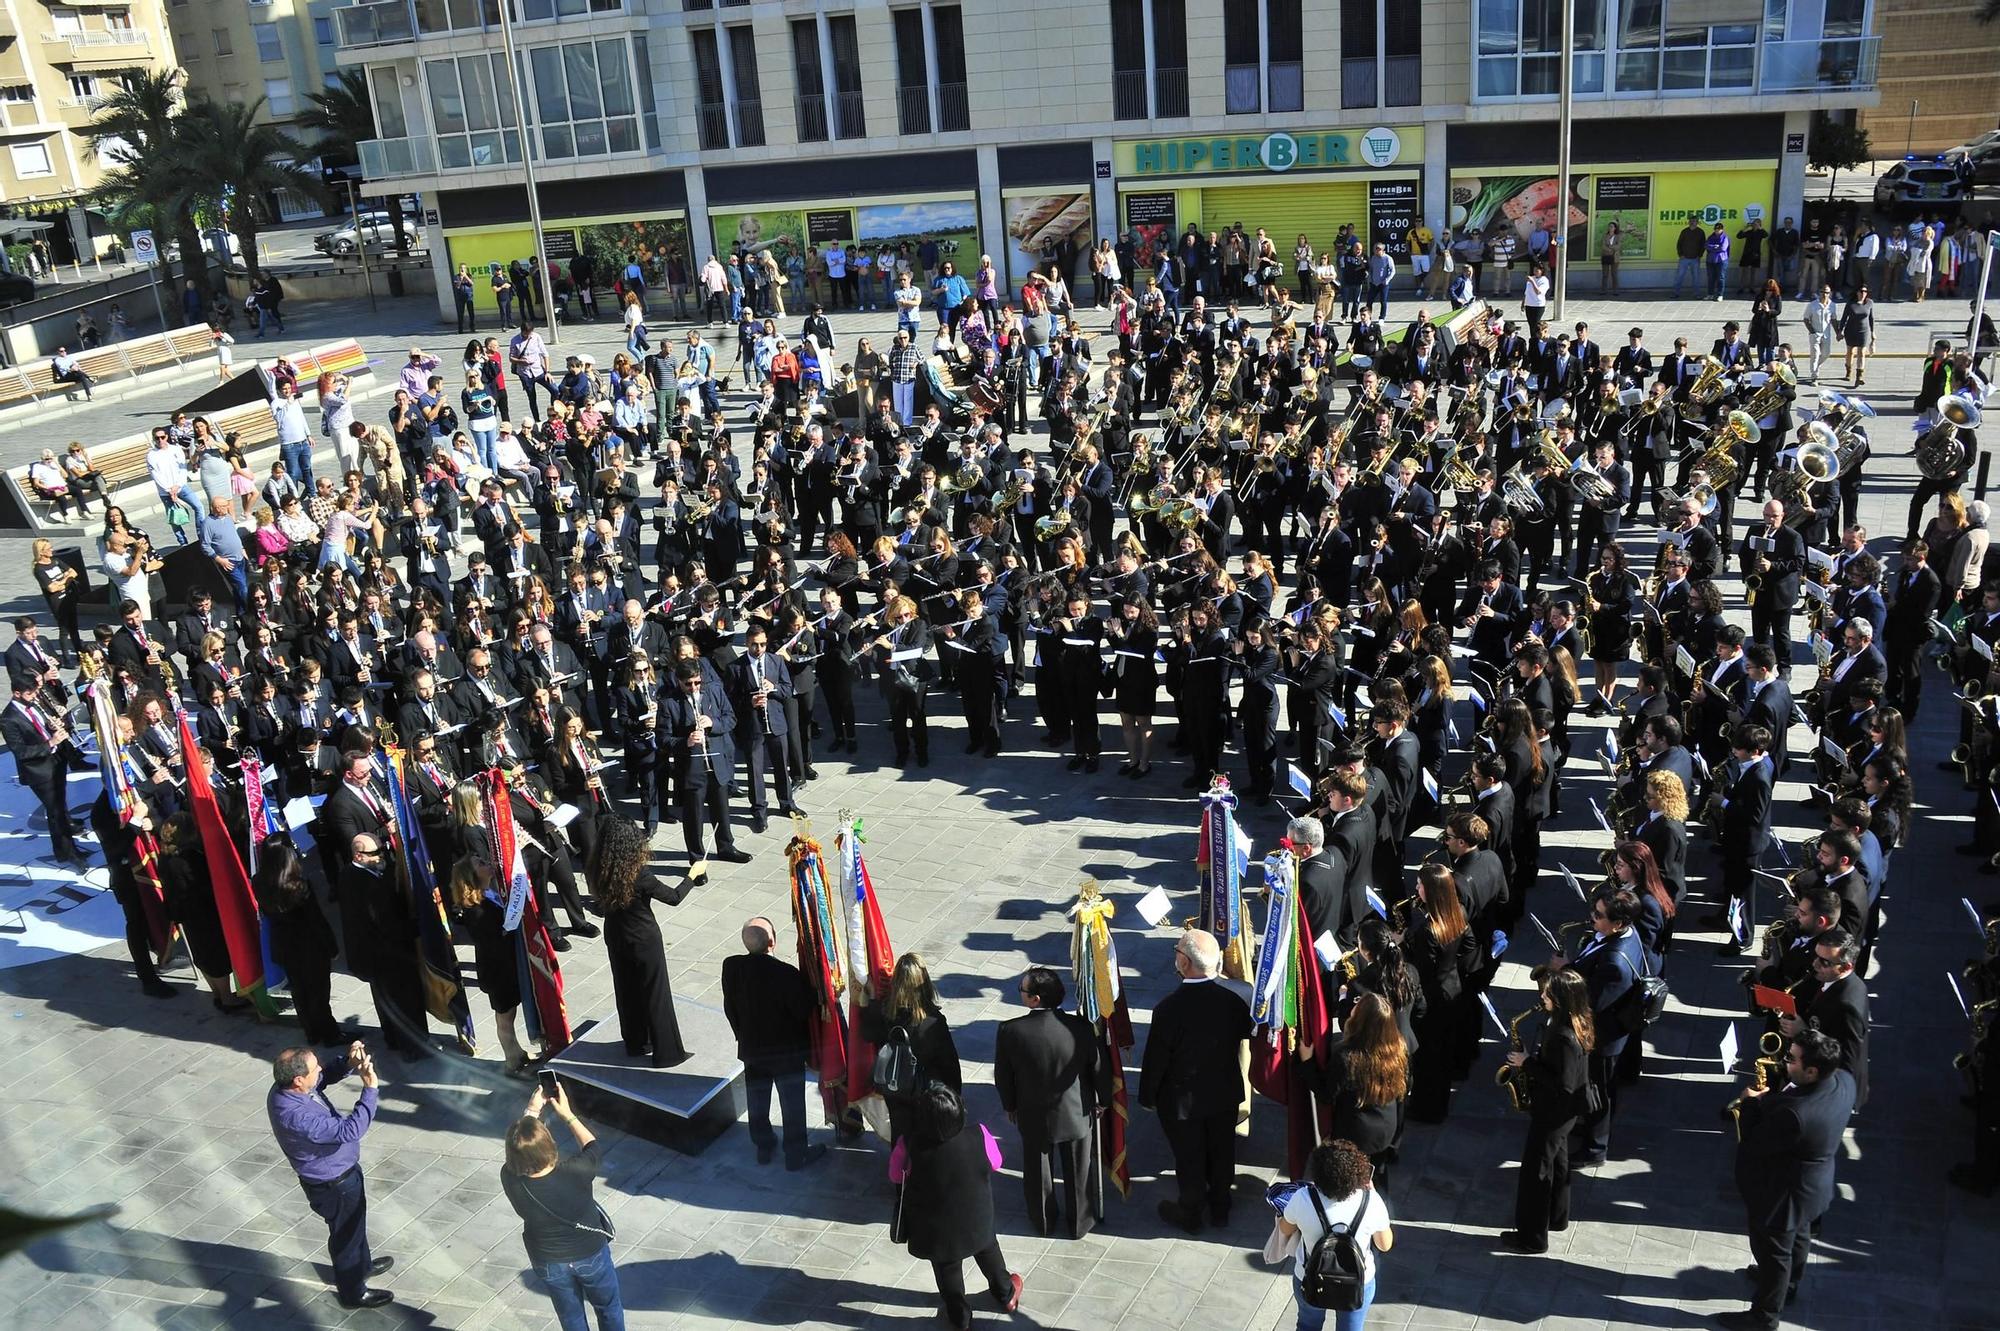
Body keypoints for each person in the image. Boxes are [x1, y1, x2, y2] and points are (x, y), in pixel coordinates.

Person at [1718, 1026, 1857, 1331]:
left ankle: (1764, 1316)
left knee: (1774, 1253)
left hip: (1783, 1192)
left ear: (1812, 1070)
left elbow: (1754, 1143)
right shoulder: (1844, 1080)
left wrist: (1751, 1102)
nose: (1785, 1062)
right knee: (1799, 1237)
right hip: (1813, 1186)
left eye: (1792, 1060)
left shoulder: (1795, 1113)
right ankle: (1789, 1284)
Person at [1139, 927, 1254, 1234]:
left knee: (1189, 1159)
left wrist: (1148, 1098)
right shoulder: (1236, 998)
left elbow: (1156, 1061)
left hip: (1183, 1103)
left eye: (1177, 950)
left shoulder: (1168, 1010)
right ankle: (1220, 1207)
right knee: (1222, 1150)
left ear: (1185, 963)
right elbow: (1245, 1032)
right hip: (1223, 1093)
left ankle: (1191, 1211)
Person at [267, 1044, 393, 1309]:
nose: (321, 1069)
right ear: (299, 1079)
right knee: (346, 1236)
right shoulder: (296, 1116)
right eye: (316, 1067)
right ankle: (353, 1292)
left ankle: (363, 1265)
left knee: (355, 1225)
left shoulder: (290, 1088)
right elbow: (350, 1130)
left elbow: (322, 1080)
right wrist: (370, 1088)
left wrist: (348, 1062)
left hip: (342, 1174)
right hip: (334, 1184)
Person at [890, 1085, 1025, 1329]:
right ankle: (1006, 1294)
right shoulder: (979, 1134)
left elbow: (895, 1176)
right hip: (976, 1218)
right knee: (989, 1252)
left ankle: (960, 1316)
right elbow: (996, 1162)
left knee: (947, 1271)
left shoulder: (907, 1146)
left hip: (936, 1229)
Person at [501, 1078, 625, 1331]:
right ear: (549, 1145)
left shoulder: (510, 1177)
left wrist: (532, 1111)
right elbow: (592, 1145)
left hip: (548, 1259)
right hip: (590, 1253)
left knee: (570, 1317)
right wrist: (567, 1114)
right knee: (608, 1307)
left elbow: (521, 1147)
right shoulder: (576, 1171)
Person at [993, 966, 1107, 1238]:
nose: (1020, 993)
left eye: (1021, 989)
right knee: (1080, 1171)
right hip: (1076, 1111)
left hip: (1034, 1114)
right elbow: (1098, 1066)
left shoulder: (1011, 1031)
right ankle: (1079, 1223)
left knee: (1038, 1173)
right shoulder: (1080, 1028)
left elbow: (1003, 1075)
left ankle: (1043, 1220)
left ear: (1035, 999)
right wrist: (1101, 1100)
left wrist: (1009, 1105)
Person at [1498, 969, 1592, 1254]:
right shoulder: (1575, 1021)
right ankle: (1556, 1217)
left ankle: (1532, 1238)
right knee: (1559, 1163)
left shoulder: (1563, 1035)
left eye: (1548, 993)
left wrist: (1528, 1063)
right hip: (1566, 1112)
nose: (1542, 996)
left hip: (1553, 1112)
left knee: (1535, 1172)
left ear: (1561, 999)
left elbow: (1562, 1084)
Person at [721, 916, 825, 1169]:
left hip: (752, 1049)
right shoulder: (786, 974)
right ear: (773, 942)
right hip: (785, 1054)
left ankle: (764, 1145)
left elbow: (730, 1006)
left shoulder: (731, 966)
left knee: (757, 1099)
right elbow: (802, 1010)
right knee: (792, 1105)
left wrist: (740, 1034)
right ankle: (795, 1153)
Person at [589, 816, 690, 1068]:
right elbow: (674, 897)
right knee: (656, 993)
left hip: (615, 935)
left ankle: (636, 1042)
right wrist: (692, 877)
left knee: (627, 991)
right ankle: (667, 1052)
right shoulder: (639, 873)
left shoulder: (596, 867)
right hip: (644, 939)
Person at [1271, 1139, 1394, 1331]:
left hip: (1309, 1276)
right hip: (1358, 1281)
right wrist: (1374, 1193)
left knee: (1307, 1326)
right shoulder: (1372, 1202)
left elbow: (1285, 1230)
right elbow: (1384, 1244)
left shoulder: (1303, 1198)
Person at [861, 951, 964, 1144]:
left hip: (895, 1086)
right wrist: (955, 1096)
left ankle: (898, 1170)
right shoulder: (933, 1022)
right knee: (923, 1138)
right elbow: (949, 1063)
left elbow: (868, 1034)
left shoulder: (885, 1011)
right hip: (923, 1091)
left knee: (900, 1135)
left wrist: (872, 998)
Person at [257, 838, 344, 1046]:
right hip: (310, 947)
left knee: (299, 990)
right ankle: (330, 1034)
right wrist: (331, 946)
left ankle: (311, 1031)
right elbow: (316, 919)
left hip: (284, 946)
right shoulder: (299, 885)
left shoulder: (258, 880)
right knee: (319, 992)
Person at [2, 675, 88, 868]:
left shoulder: (34, 705)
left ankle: (64, 847)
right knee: (56, 812)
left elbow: (40, 727)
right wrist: (50, 742)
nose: (34, 696)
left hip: (56, 762)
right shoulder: (8, 719)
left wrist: (52, 727)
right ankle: (69, 853)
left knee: (59, 806)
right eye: (29, 693)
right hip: (39, 772)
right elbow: (21, 751)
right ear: (16, 693)